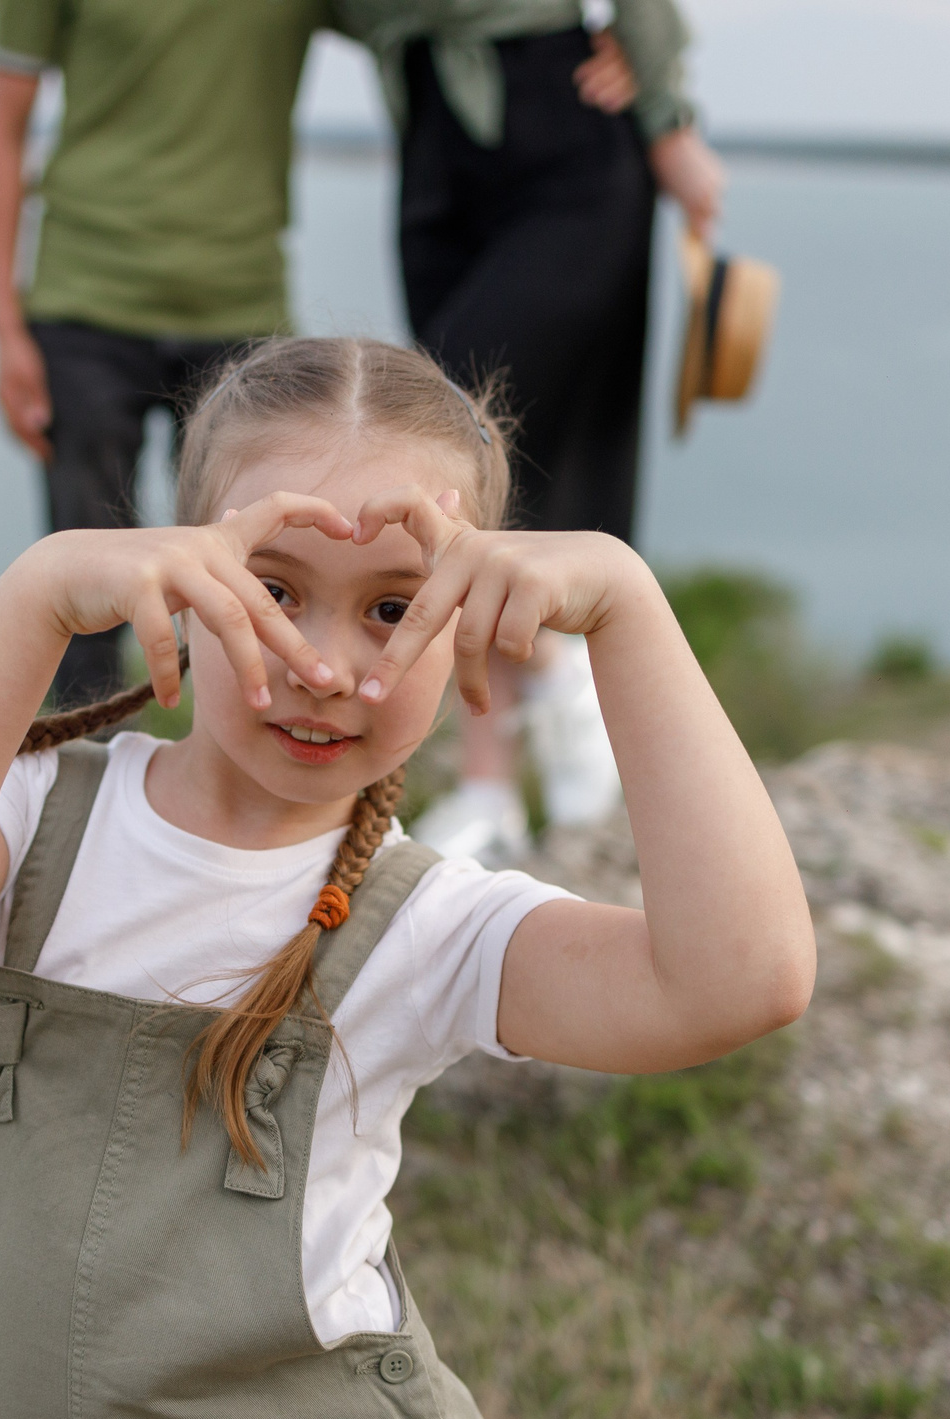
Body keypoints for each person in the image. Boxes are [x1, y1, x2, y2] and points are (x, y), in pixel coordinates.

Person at [0, 338, 812, 1419]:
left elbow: (740, 979)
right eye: (275, 589)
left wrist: (628, 607)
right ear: (176, 577)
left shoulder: (426, 928)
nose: (323, 662)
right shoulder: (32, 817)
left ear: (477, 622)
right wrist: (32, 598)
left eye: (392, 609)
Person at [0, 0, 644, 712]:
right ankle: (82, 787)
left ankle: (252, 790)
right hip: (83, 300)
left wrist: (609, 39)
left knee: (265, 587)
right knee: (87, 594)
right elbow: (3, 131)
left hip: (241, 305)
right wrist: (5, 328)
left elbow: (435, 17)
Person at [337, 0, 729, 863]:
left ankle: (560, 674)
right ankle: (494, 780)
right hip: (431, 132)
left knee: (454, 430)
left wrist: (668, 115)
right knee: (475, 471)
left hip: (562, 122)